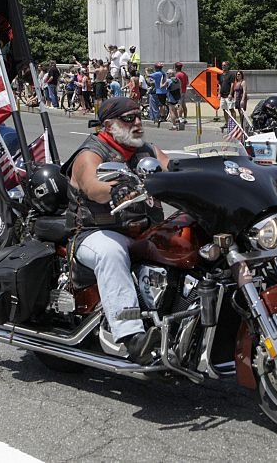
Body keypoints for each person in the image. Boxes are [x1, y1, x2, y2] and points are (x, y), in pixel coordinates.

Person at [62, 97, 171, 364]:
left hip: (141, 231)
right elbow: (93, 188)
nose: (137, 123)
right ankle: (132, 337)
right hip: (92, 234)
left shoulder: (147, 150)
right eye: (129, 118)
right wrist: (117, 189)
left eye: (139, 116)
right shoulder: (91, 153)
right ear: (109, 124)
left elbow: (174, 171)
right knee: (111, 252)